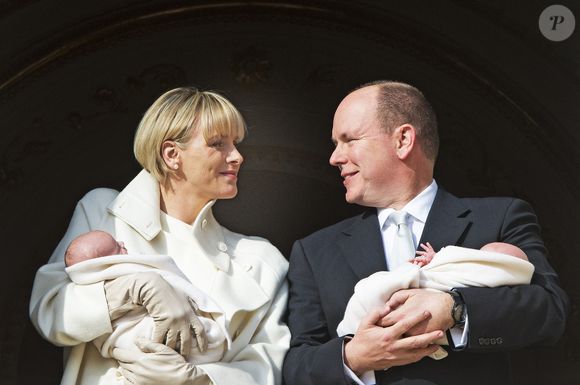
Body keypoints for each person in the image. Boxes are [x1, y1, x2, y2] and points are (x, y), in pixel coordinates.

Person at [282, 80, 569, 385]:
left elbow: (550, 312)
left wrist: (455, 309)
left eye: (349, 139)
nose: (334, 158)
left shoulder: (500, 217)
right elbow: (296, 366)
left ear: (403, 140)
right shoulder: (313, 252)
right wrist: (352, 357)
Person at [30, 87, 290, 385]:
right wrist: (136, 287)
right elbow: (51, 312)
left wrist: (198, 379)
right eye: (218, 143)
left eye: (236, 143)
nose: (237, 156)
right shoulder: (105, 212)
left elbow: (269, 365)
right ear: (171, 155)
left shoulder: (261, 260)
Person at [337, 241, 535, 360]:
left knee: (378, 289)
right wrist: (435, 259)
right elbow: (447, 263)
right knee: (375, 290)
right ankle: (352, 336)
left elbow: (541, 306)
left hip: (442, 334)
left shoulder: (506, 214)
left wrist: (456, 306)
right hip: (415, 292)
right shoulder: (458, 258)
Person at [64, 230, 229, 366]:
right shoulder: (98, 204)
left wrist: (206, 379)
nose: (123, 243)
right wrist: (133, 287)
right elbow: (62, 305)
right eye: (116, 247)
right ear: (106, 263)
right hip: (132, 335)